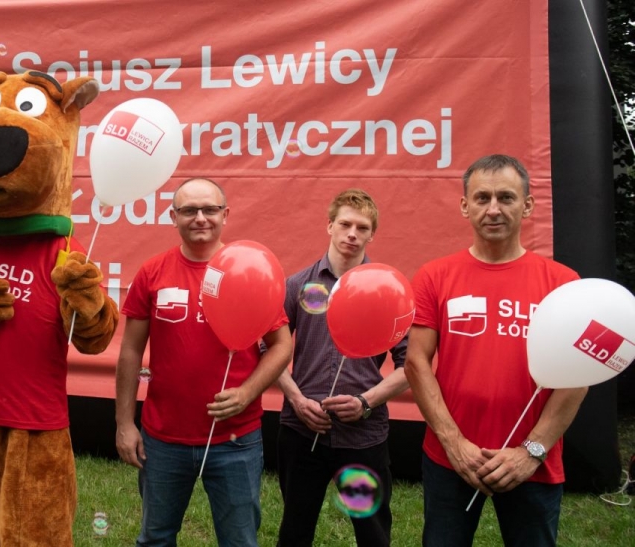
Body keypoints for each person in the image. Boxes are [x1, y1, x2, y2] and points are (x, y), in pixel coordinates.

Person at [404, 154, 588, 546]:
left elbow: (578, 376)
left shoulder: (563, 284)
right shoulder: (434, 276)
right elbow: (416, 362)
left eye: (505, 197)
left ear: (527, 205)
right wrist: (454, 443)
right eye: (482, 198)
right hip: (450, 459)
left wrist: (531, 451)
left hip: (532, 463)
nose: (493, 209)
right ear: (464, 206)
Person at [115, 177, 293, 547]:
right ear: (173, 217)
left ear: (225, 214)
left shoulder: (249, 272)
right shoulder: (152, 272)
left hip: (236, 439)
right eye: (189, 210)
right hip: (163, 438)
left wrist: (246, 393)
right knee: (155, 538)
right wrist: (124, 424)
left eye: (210, 209)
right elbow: (130, 351)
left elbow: (281, 345)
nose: (200, 218)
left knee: (239, 541)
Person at [276, 189, 408, 547]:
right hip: (302, 431)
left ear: (372, 234)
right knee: (295, 529)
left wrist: (365, 402)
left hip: (363, 436)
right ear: (329, 226)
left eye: (362, 228)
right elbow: (269, 351)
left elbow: (411, 365)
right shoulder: (298, 285)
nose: (352, 234)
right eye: (345, 224)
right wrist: (297, 400)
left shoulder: (387, 293)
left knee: (373, 533)